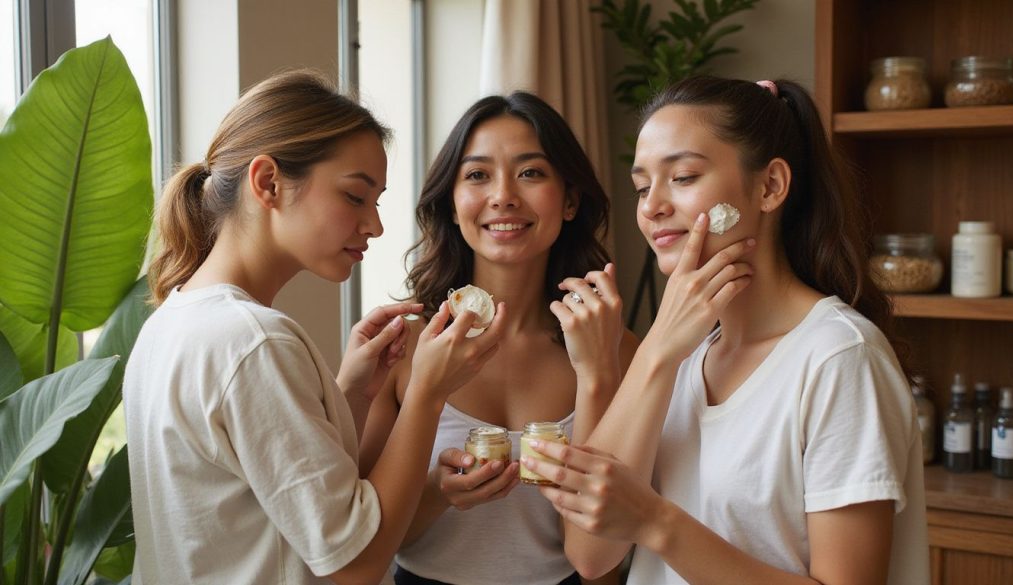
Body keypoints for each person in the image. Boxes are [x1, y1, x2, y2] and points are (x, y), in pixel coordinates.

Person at [523, 76, 930, 584]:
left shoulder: (840, 357)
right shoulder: (684, 357)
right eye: (642, 187)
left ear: (771, 186)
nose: (651, 207)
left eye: (683, 177)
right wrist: (657, 351)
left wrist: (655, 522)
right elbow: (590, 554)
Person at [123, 70, 507, 585]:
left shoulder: (172, 322)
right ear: (268, 183)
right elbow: (353, 565)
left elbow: (258, 495)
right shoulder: (253, 342)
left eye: (375, 202)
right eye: (354, 196)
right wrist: (426, 393)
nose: (375, 225)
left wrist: (351, 394)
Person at [358, 92, 638, 585]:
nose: (503, 195)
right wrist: (437, 493)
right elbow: (360, 543)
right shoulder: (399, 346)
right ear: (451, 202)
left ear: (570, 200)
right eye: (477, 175)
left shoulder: (616, 349)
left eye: (530, 172)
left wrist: (600, 374)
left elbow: (601, 561)